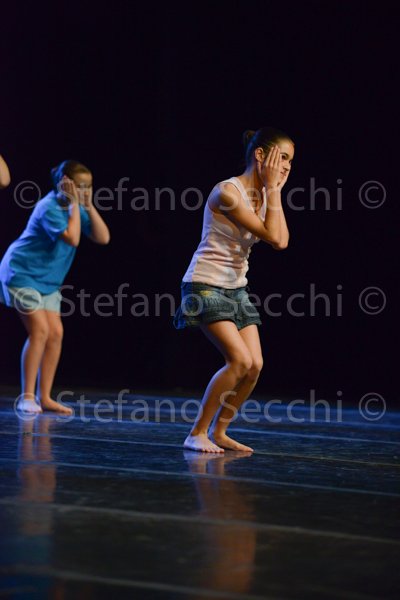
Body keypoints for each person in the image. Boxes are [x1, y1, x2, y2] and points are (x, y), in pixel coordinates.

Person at [174, 127, 294, 453]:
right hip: (204, 285)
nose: (286, 166)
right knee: (239, 361)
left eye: (290, 161)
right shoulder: (227, 192)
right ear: (260, 155)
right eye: (282, 158)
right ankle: (197, 432)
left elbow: (282, 241)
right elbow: (274, 237)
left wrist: (272, 192)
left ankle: (220, 431)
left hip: (236, 287)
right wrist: (273, 190)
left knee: (255, 365)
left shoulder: (265, 195)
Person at [0, 160, 110, 415]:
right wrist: (73, 204)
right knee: (40, 331)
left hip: (48, 281)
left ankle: (45, 396)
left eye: (88, 186)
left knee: (56, 333)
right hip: (22, 272)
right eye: (79, 186)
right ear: (64, 184)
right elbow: (72, 238)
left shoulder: (76, 208)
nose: (83, 191)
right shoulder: (49, 206)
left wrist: (88, 205)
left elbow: (103, 237)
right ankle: (27, 397)